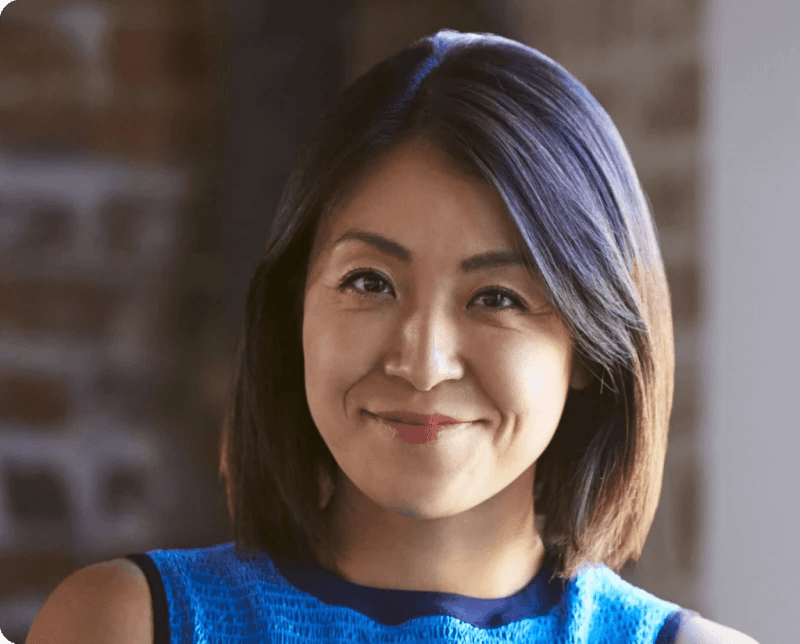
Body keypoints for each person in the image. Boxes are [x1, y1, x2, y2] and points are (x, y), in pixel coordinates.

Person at [26, 29, 758, 644]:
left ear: (591, 352)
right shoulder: (123, 625)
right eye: (369, 282)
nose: (422, 361)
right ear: (294, 309)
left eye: (496, 297)